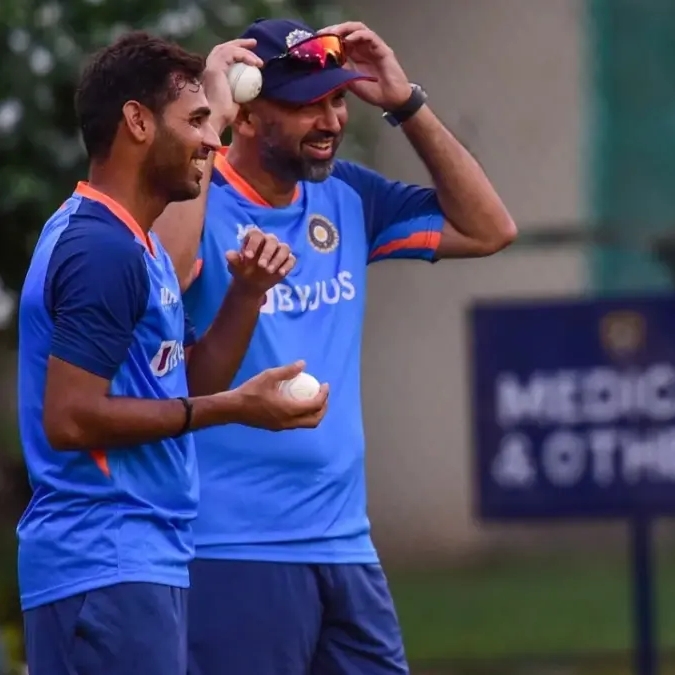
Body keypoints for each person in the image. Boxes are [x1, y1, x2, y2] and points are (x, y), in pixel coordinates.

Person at [152, 18, 517, 675]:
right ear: (249, 113)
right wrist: (206, 107)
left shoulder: (347, 195)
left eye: (337, 100)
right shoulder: (195, 201)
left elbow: (490, 227)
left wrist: (407, 104)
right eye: (305, 104)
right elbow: (168, 273)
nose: (330, 119)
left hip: (346, 545)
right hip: (234, 548)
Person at [17, 32, 330, 675]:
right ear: (136, 121)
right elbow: (71, 418)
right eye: (196, 121)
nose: (215, 143)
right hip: (102, 560)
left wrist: (244, 297)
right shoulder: (99, 249)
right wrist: (232, 407)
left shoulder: (141, 246)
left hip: (141, 558)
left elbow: (177, 383)